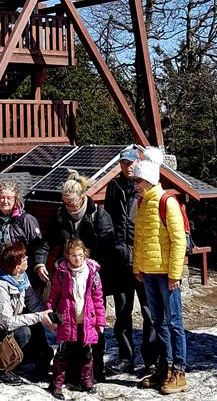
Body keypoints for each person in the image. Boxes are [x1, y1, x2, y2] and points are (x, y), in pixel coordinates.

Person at [34, 171, 114, 382]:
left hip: (90, 281)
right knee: (68, 326)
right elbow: (48, 241)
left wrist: (93, 272)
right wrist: (40, 261)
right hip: (66, 279)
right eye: (65, 202)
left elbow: (107, 249)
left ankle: (95, 371)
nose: (68, 206)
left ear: (82, 198)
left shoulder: (99, 215)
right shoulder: (60, 215)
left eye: (71, 203)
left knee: (92, 324)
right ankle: (69, 371)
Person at [0, 179, 52, 375]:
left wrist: (35, 278)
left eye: (9, 197)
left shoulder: (26, 220)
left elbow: (36, 250)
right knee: (2, 323)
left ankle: (40, 357)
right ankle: (2, 358)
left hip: (23, 282)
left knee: (31, 320)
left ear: (16, 198)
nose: (5, 201)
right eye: (1, 197)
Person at [132, 148, 188, 395]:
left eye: (138, 180)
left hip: (166, 275)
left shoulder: (168, 202)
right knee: (158, 323)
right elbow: (139, 239)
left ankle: (179, 370)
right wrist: (138, 267)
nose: (135, 184)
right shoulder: (142, 203)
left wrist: (175, 274)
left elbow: (179, 241)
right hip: (148, 273)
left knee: (174, 323)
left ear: (149, 180)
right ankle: (164, 367)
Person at [104, 144, 157, 374]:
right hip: (120, 260)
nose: (127, 167)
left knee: (149, 312)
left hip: (143, 260)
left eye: (131, 162)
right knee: (122, 312)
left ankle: (151, 360)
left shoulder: (146, 187)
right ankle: (126, 358)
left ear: (139, 163)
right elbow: (107, 221)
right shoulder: (113, 187)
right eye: (124, 163)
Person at [0, 241, 56, 385]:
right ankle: (0, 367)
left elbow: (35, 305)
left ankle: (37, 359)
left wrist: (50, 319)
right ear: (17, 266)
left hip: (6, 332)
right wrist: (39, 317)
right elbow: (7, 322)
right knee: (24, 331)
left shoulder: (22, 280)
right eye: (24, 258)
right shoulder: (0, 286)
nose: (27, 259)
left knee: (36, 327)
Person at [46, 238, 106, 398]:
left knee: (86, 353)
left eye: (80, 255)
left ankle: (86, 381)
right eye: (73, 255)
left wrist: (100, 321)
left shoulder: (92, 272)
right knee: (63, 353)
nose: (77, 259)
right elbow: (54, 295)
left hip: (86, 320)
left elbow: (98, 299)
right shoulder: (62, 273)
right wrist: (50, 314)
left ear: (85, 254)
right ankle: (56, 383)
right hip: (67, 319)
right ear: (67, 256)